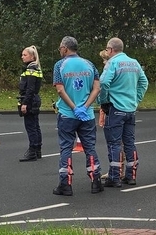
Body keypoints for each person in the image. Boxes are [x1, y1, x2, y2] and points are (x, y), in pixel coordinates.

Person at [52, 36, 103, 196]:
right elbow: (97, 88)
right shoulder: (90, 65)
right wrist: (85, 106)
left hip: (67, 114)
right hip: (86, 115)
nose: (60, 50)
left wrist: (74, 107)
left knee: (66, 147)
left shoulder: (60, 65)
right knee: (90, 148)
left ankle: (65, 184)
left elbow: (60, 90)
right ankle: (96, 181)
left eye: (60, 47)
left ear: (66, 48)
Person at [98, 37, 148, 187]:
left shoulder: (112, 63)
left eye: (107, 49)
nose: (107, 52)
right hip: (130, 109)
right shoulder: (134, 62)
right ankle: (131, 175)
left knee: (114, 144)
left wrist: (104, 101)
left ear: (111, 50)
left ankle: (114, 177)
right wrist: (136, 98)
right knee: (129, 143)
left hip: (116, 108)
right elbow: (144, 82)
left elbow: (104, 82)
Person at [17, 45, 44, 162]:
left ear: (32, 56)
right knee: (35, 125)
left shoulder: (31, 70)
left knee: (30, 126)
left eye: (25, 55)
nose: (22, 57)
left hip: (30, 100)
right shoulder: (35, 68)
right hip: (34, 99)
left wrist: (25, 103)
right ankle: (37, 150)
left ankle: (32, 151)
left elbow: (30, 89)